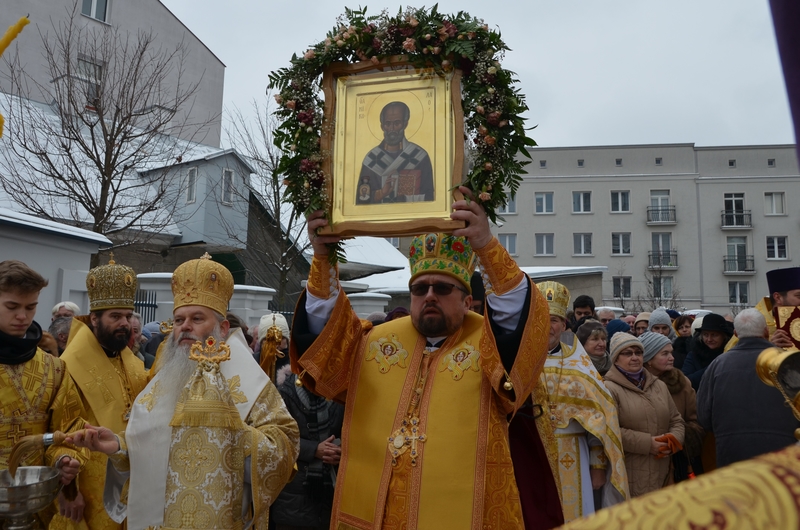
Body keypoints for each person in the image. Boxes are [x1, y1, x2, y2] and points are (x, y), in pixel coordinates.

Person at [293, 188, 561, 529]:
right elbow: (323, 341)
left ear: (466, 301)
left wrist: (485, 245)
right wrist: (323, 258)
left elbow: (517, 317)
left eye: (443, 288)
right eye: (420, 289)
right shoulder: (374, 342)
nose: (429, 295)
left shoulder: (490, 344)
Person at [69, 254, 300, 529]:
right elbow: (153, 447)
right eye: (179, 320)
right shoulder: (163, 379)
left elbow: (286, 449)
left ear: (223, 328)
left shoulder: (251, 384)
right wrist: (119, 446)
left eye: (197, 318)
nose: (185, 327)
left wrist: (232, 434)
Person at [52, 257, 149, 530]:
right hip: (88, 488)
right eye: (115, 316)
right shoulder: (69, 365)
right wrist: (68, 491)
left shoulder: (129, 360)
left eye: (128, 316)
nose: (125, 324)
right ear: (94, 318)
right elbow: (60, 429)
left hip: (130, 478)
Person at [0, 261, 84, 526]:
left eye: (30, 307)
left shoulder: (54, 368)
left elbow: (66, 430)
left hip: (36, 504)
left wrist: (63, 460)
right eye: (12, 307)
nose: (23, 317)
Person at [538, 282, 627, 522]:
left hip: (575, 454)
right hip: (532, 452)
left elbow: (599, 421)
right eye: (542, 318)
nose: (548, 325)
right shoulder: (519, 364)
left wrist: (598, 465)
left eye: (555, 320)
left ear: (564, 325)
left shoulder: (581, 365)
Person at [697, 309, 800, 468]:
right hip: (783, 455)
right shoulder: (788, 363)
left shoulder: (717, 366)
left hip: (733, 455)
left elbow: (704, 417)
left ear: (736, 333)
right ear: (766, 331)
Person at [603, 333, 685, 497]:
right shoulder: (608, 388)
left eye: (638, 352)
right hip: (630, 473)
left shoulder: (659, 385)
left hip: (664, 469)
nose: (634, 357)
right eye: (627, 353)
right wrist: (648, 444)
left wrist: (672, 440)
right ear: (616, 358)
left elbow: (677, 420)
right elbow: (609, 431)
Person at [271, 364, 345, 530]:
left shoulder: (342, 390)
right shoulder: (285, 391)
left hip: (332, 491)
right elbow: (276, 437)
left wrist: (340, 450)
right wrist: (314, 450)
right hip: (295, 497)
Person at [640, 332, 704, 481]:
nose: (672, 357)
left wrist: (679, 437)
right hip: (643, 457)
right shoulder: (635, 385)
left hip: (677, 459)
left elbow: (695, 419)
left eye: (671, 352)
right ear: (649, 358)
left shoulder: (682, 382)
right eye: (665, 353)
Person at [356, 101, 434, 204]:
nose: (392, 129)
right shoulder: (371, 159)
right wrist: (381, 193)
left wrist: (403, 199)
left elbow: (430, 198)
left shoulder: (420, 157)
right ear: (382, 126)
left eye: (397, 123)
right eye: (388, 124)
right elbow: (361, 200)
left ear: (405, 124)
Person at [681, 313, 732, 391]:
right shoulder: (693, 355)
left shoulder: (730, 355)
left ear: (724, 336)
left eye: (714, 335)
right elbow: (686, 381)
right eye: (705, 334)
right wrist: (714, 366)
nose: (709, 339)